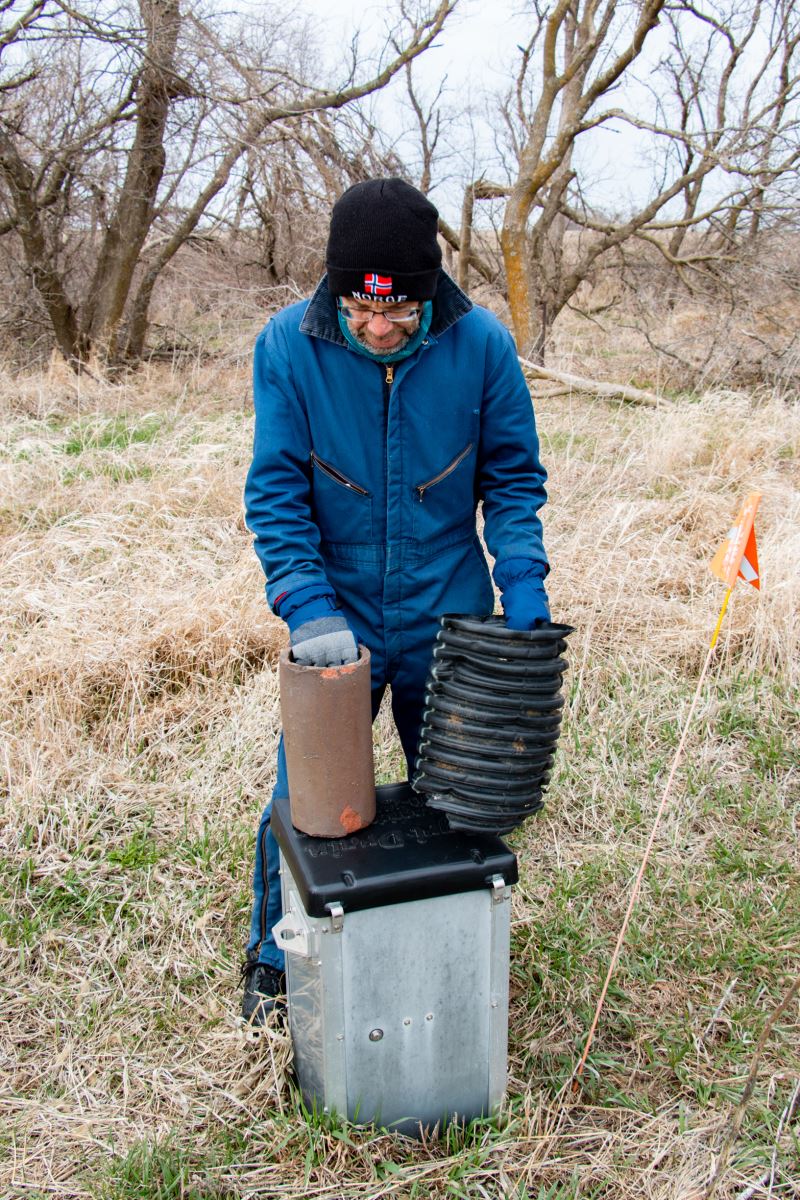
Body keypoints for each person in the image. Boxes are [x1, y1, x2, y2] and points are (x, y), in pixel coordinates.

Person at [240, 177, 549, 1024]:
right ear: (336, 286)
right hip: (337, 612)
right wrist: (307, 604)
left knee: (457, 805)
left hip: (451, 612)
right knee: (309, 801)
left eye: (400, 310)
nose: (379, 327)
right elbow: (276, 492)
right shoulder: (287, 346)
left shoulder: (482, 345)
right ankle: (278, 957)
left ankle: (444, 960)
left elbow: (513, 482)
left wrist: (522, 584)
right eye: (361, 307)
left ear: (430, 294)